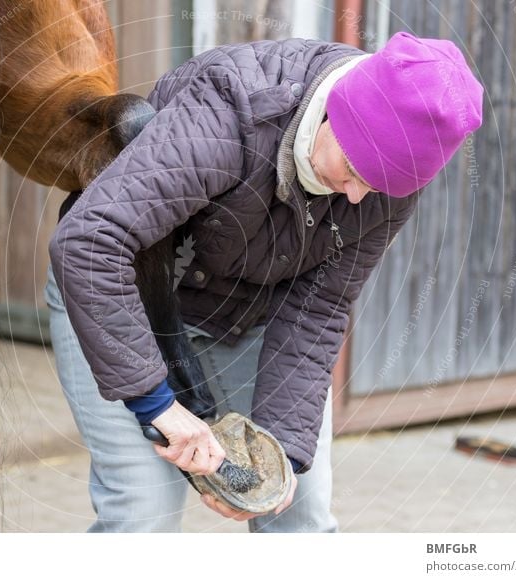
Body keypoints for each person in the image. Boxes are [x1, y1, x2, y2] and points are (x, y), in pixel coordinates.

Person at [45, 31, 483, 532]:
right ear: (335, 114)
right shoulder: (232, 114)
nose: (358, 197)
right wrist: (156, 404)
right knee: (145, 510)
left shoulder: (387, 185)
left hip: (244, 311)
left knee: (298, 510)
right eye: (355, 169)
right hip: (122, 293)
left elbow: (320, 305)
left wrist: (282, 455)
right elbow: (90, 242)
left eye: (378, 186)